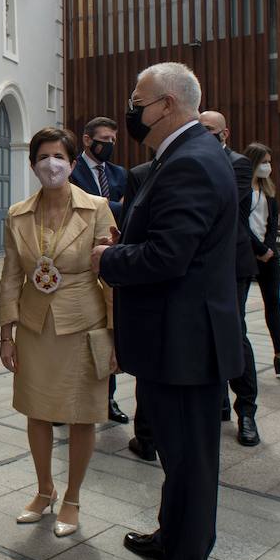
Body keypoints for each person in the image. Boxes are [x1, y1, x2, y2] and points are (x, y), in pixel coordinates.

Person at [91, 61, 242, 560]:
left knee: (191, 463)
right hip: (170, 338)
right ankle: (171, 539)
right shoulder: (180, 156)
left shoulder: (192, 162)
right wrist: (127, 238)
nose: (134, 108)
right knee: (177, 457)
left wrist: (110, 258)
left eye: (140, 99)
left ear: (169, 105)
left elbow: (170, 256)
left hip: (185, 342)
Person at [0, 127, 116, 539]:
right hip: (35, 325)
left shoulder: (98, 208)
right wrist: (5, 333)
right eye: (44, 157)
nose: (52, 164)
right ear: (33, 164)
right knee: (37, 410)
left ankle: (73, 498)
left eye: (60, 156)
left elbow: (111, 275)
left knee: (82, 414)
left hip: (83, 322)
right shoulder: (17, 214)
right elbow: (12, 275)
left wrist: (115, 334)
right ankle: (44, 489)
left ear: (72, 161)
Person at [199, 110, 261, 447]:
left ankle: (247, 411)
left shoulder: (238, 164)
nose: (204, 134)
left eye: (209, 130)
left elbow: (216, 201)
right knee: (206, 332)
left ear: (225, 132)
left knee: (235, 333)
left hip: (232, 263)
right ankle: (218, 401)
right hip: (201, 263)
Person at [69, 116, 130, 424]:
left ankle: (108, 399)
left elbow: (124, 210)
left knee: (107, 332)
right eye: (104, 139)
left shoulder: (120, 174)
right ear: (87, 140)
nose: (109, 145)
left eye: (113, 140)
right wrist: (108, 205)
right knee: (74, 337)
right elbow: (75, 207)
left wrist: (106, 205)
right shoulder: (71, 170)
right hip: (76, 261)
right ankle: (67, 399)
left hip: (109, 259)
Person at [243, 142, 280, 375]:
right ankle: (241, 356)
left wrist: (268, 248)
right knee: (239, 306)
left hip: (269, 254)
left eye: (269, 162)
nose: (268, 167)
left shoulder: (268, 190)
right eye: (264, 162)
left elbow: (272, 222)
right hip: (247, 252)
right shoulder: (242, 190)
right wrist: (258, 248)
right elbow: (240, 224)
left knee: (273, 303)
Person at [119, 158, 159, 464]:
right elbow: (129, 228)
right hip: (141, 282)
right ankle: (146, 435)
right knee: (148, 368)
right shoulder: (140, 174)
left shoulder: (224, 166)